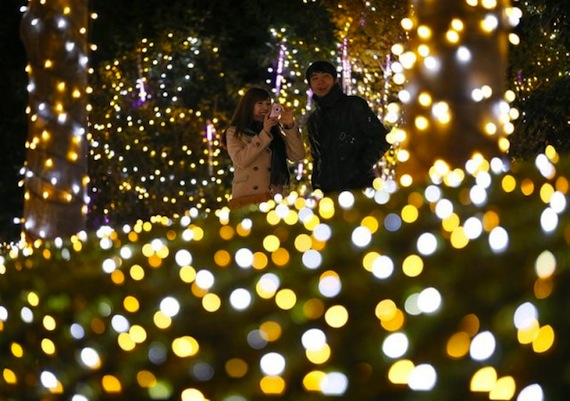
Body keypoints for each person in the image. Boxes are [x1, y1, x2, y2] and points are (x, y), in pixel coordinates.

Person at [304, 60, 391, 194]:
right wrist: (317, 184)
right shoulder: (313, 120)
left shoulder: (354, 105)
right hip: (328, 190)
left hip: (359, 185)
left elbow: (381, 137)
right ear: (310, 85)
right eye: (315, 78)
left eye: (325, 76)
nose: (320, 82)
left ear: (335, 80)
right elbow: (317, 157)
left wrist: (360, 166)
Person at [222, 87, 305, 209]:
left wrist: (289, 126)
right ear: (249, 105)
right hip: (248, 197)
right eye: (259, 103)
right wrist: (264, 134)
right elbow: (240, 160)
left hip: (273, 198)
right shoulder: (235, 132)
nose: (265, 108)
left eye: (268, 103)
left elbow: (298, 155)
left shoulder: (275, 132)